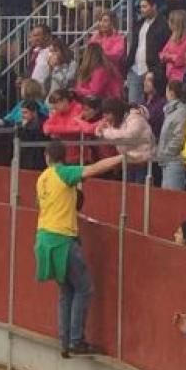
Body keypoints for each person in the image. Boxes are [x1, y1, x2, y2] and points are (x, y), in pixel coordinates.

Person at [36, 140, 123, 358]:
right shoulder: (63, 173)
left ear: (47, 157)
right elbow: (94, 169)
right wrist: (122, 157)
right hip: (62, 239)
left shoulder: (42, 178)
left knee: (66, 291)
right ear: (63, 157)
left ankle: (65, 342)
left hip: (44, 237)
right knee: (84, 288)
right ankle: (76, 341)